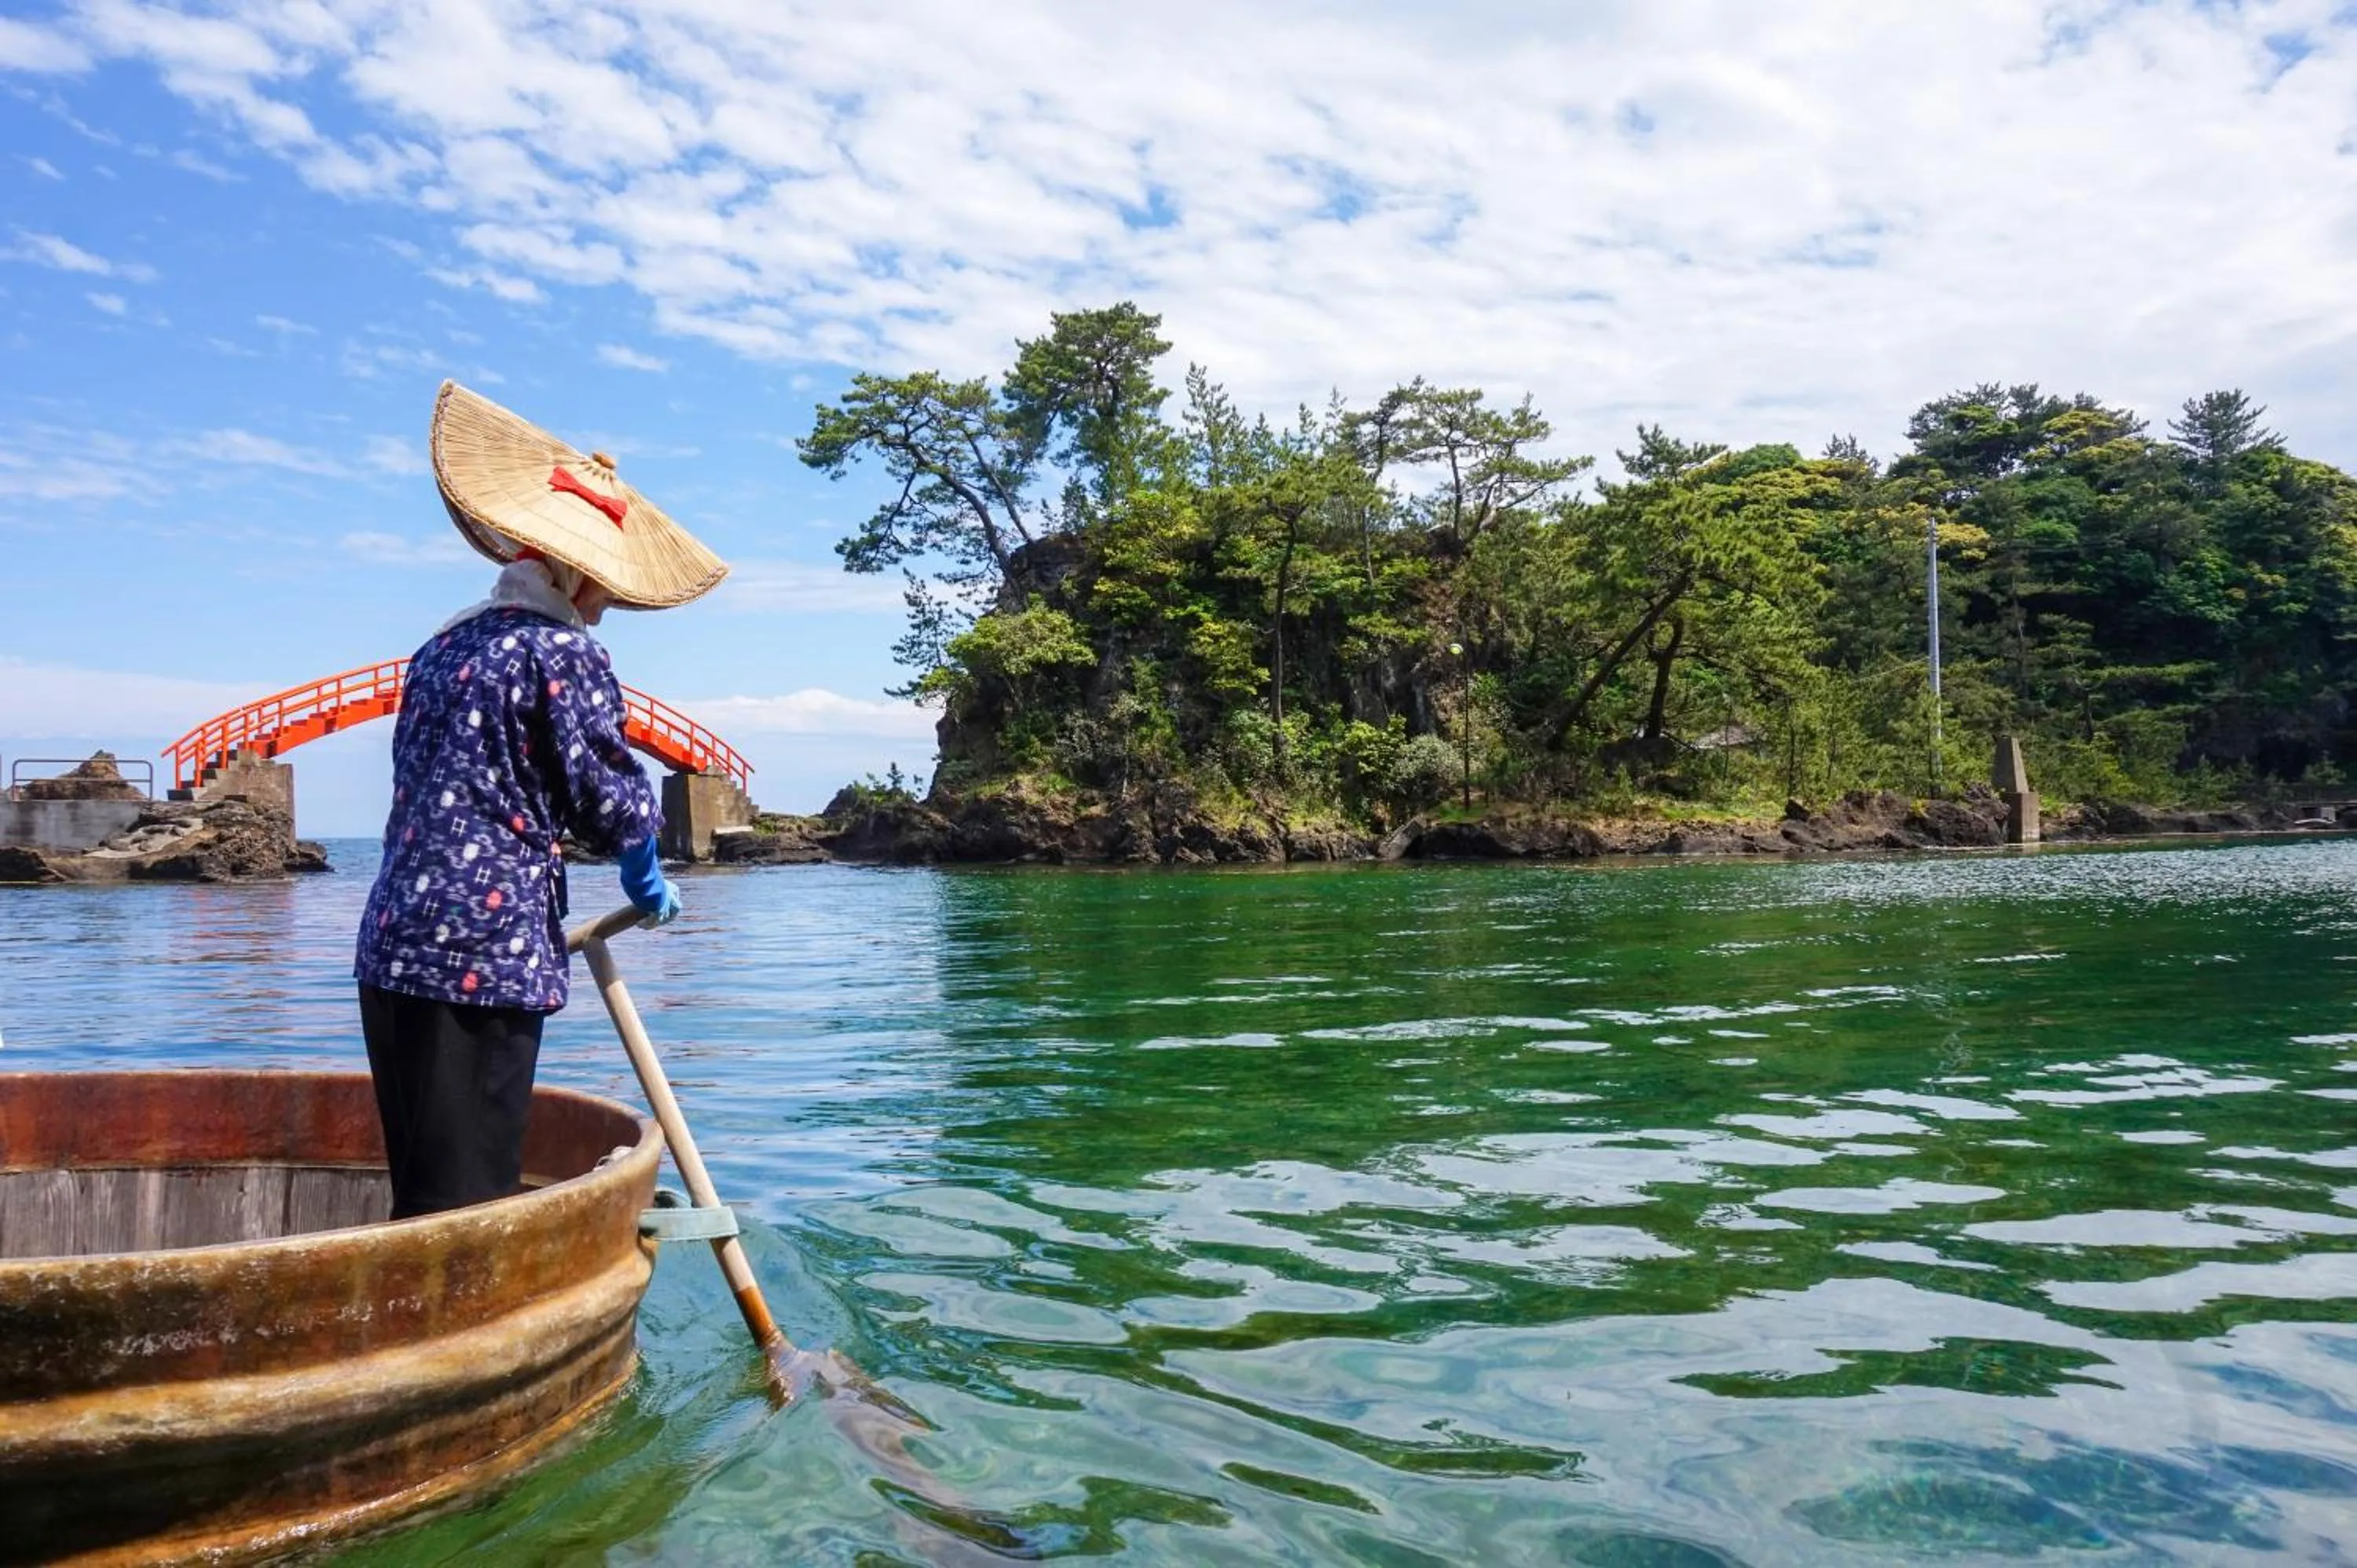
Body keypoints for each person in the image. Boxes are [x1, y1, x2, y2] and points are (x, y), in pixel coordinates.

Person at [354, 379, 729, 1220]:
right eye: (601, 588)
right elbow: (605, 788)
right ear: (574, 576)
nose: (603, 607)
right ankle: (465, 1345)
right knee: (470, 1206)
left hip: (390, 946)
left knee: (422, 1191)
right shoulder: (561, 653)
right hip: (479, 957)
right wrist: (641, 863)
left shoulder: (442, 646)